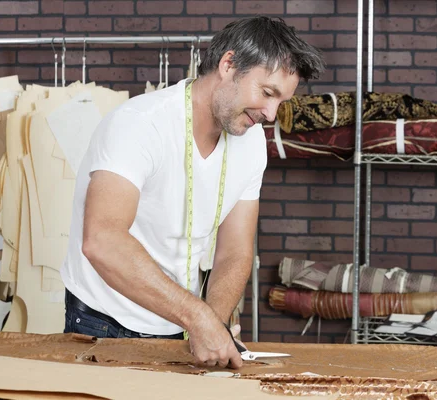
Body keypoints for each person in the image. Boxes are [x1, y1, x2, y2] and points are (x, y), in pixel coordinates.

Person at [60, 16, 325, 369]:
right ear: (228, 65)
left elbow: (235, 250)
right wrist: (198, 318)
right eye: (267, 93)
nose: (272, 114)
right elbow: (102, 240)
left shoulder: (252, 144)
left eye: (282, 101)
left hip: (179, 324)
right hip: (102, 321)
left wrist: (212, 322)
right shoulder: (139, 124)